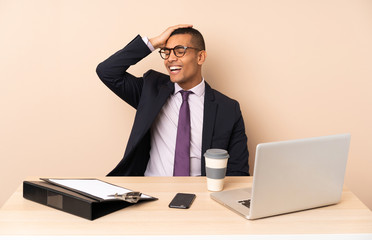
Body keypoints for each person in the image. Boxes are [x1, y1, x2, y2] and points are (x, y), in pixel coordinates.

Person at [96, 24, 249, 176]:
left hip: (201, 193)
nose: (170, 58)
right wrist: (154, 42)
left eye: (179, 51)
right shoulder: (150, 91)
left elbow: (238, 171)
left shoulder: (228, 109)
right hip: (152, 190)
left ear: (200, 57)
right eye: (166, 52)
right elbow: (107, 71)